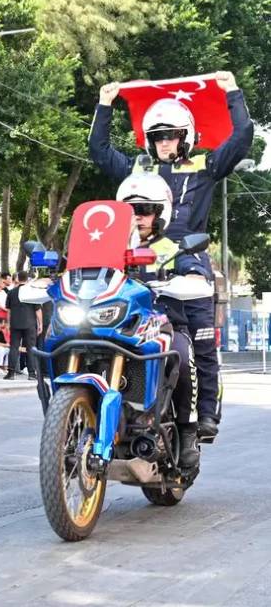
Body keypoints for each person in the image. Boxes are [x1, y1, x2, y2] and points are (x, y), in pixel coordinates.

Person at [93, 71, 253, 439]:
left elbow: (242, 137)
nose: (164, 143)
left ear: (186, 136)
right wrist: (104, 104)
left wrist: (232, 91)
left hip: (187, 260)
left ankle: (201, 417)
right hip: (136, 260)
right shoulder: (137, 168)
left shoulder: (206, 166)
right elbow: (99, 152)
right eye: (157, 137)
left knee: (198, 345)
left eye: (171, 135)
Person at [118, 171, 203, 467]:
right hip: (116, 325)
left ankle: (188, 429)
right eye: (130, 210)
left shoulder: (167, 247)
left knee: (179, 353)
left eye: (144, 210)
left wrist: (192, 275)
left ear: (159, 213)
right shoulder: (110, 249)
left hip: (162, 323)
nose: (137, 217)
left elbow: (192, 268)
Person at [5, 271, 41, 381]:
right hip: (30, 323)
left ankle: (11, 373)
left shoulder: (11, 292)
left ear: (17, 279)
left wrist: (8, 323)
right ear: (27, 279)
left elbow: (9, 310)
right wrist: (40, 324)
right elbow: (38, 310)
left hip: (15, 323)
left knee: (14, 347)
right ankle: (31, 373)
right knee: (31, 348)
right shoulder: (32, 292)